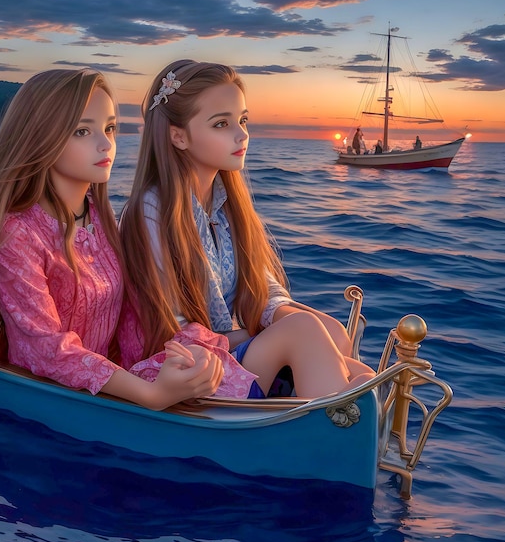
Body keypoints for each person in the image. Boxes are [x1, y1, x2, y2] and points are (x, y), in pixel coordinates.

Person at [0, 68, 241, 422]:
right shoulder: (15, 233)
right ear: (40, 138)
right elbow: (45, 347)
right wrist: (150, 394)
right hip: (48, 397)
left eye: (109, 128)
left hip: (114, 380)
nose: (106, 144)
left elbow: (131, 314)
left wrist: (179, 351)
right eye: (82, 131)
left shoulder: (100, 216)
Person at [120, 60, 376, 400]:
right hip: (190, 362)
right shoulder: (151, 210)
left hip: (233, 345)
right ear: (178, 136)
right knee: (304, 332)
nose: (241, 135)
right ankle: (326, 435)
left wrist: (283, 313)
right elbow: (173, 325)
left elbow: (260, 285)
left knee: (337, 337)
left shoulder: (225, 202)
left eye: (242, 120)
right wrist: (274, 331)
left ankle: (329, 423)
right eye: (221, 124)